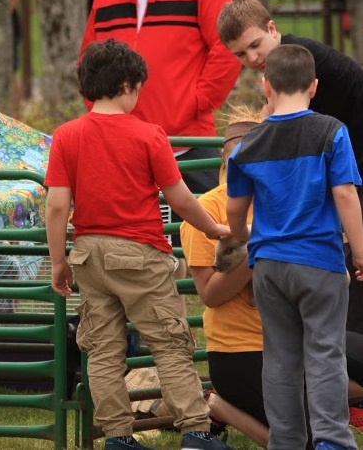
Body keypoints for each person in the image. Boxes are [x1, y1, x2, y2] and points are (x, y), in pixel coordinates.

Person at [45, 39, 232, 450]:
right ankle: (197, 432)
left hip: (89, 255)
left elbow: (57, 206)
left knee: (103, 348)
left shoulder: (66, 136)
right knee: (170, 342)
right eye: (140, 88)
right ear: (128, 84)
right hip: (139, 254)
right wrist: (213, 228)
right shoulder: (150, 135)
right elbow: (181, 198)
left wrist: (59, 262)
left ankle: (117, 436)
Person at [82, 0, 241, 281]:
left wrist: (196, 101)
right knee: (135, 246)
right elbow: (89, 59)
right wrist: (101, 112)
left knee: (208, 242)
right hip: (123, 146)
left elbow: (227, 49)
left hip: (189, 144)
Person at [226, 44, 363, 450]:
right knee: (325, 353)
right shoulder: (331, 131)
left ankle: (285, 442)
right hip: (319, 260)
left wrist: (243, 235)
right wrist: (359, 249)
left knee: (280, 358)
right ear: (315, 85)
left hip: (268, 265)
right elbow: (345, 196)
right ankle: (332, 442)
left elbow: (236, 208)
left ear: (266, 86)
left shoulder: (249, 144)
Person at [216, 0, 363, 338]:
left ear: (272, 29)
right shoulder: (285, 60)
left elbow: (284, 127)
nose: (252, 58)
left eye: (255, 45)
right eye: (240, 54)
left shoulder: (298, 61)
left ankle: (350, 363)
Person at [180, 104, 269, 447]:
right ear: (227, 161)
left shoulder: (279, 200)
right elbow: (210, 295)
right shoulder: (208, 212)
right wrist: (260, 244)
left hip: (291, 343)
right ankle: (220, 405)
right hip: (240, 353)